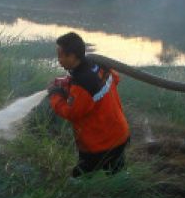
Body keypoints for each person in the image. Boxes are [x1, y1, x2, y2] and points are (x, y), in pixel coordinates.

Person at [48, 32, 131, 177]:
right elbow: (115, 79)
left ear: (72, 56)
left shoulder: (82, 83)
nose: (58, 60)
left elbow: (71, 113)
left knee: (78, 179)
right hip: (120, 134)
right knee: (116, 175)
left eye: (61, 55)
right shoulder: (97, 64)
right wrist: (69, 84)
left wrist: (55, 95)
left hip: (100, 145)